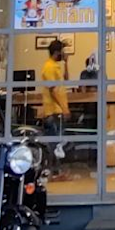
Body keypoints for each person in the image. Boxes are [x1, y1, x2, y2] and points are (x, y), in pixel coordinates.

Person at [38, 38, 70, 176]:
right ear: (57, 52)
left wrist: (67, 63)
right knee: (54, 143)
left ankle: (56, 170)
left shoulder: (56, 66)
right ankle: (53, 171)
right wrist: (64, 108)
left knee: (58, 143)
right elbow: (52, 90)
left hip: (58, 110)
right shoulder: (49, 67)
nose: (64, 53)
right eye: (62, 51)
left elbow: (66, 79)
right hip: (53, 111)